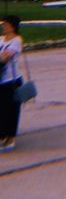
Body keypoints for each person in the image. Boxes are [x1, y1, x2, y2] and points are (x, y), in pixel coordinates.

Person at [0, 15, 24, 151]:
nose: (3, 26)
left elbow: (5, 57)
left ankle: (10, 138)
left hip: (12, 81)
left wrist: (2, 56)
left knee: (11, 110)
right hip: (1, 81)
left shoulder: (17, 40)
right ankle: (2, 137)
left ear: (12, 26)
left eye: (6, 24)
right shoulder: (1, 39)